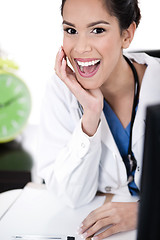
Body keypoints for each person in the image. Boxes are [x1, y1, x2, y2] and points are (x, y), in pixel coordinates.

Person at [37, 0, 160, 239]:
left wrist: (143, 211)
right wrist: (91, 114)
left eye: (98, 30)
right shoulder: (60, 90)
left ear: (127, 35)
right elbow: (72, 196)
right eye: (71, 30)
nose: (81, 48)